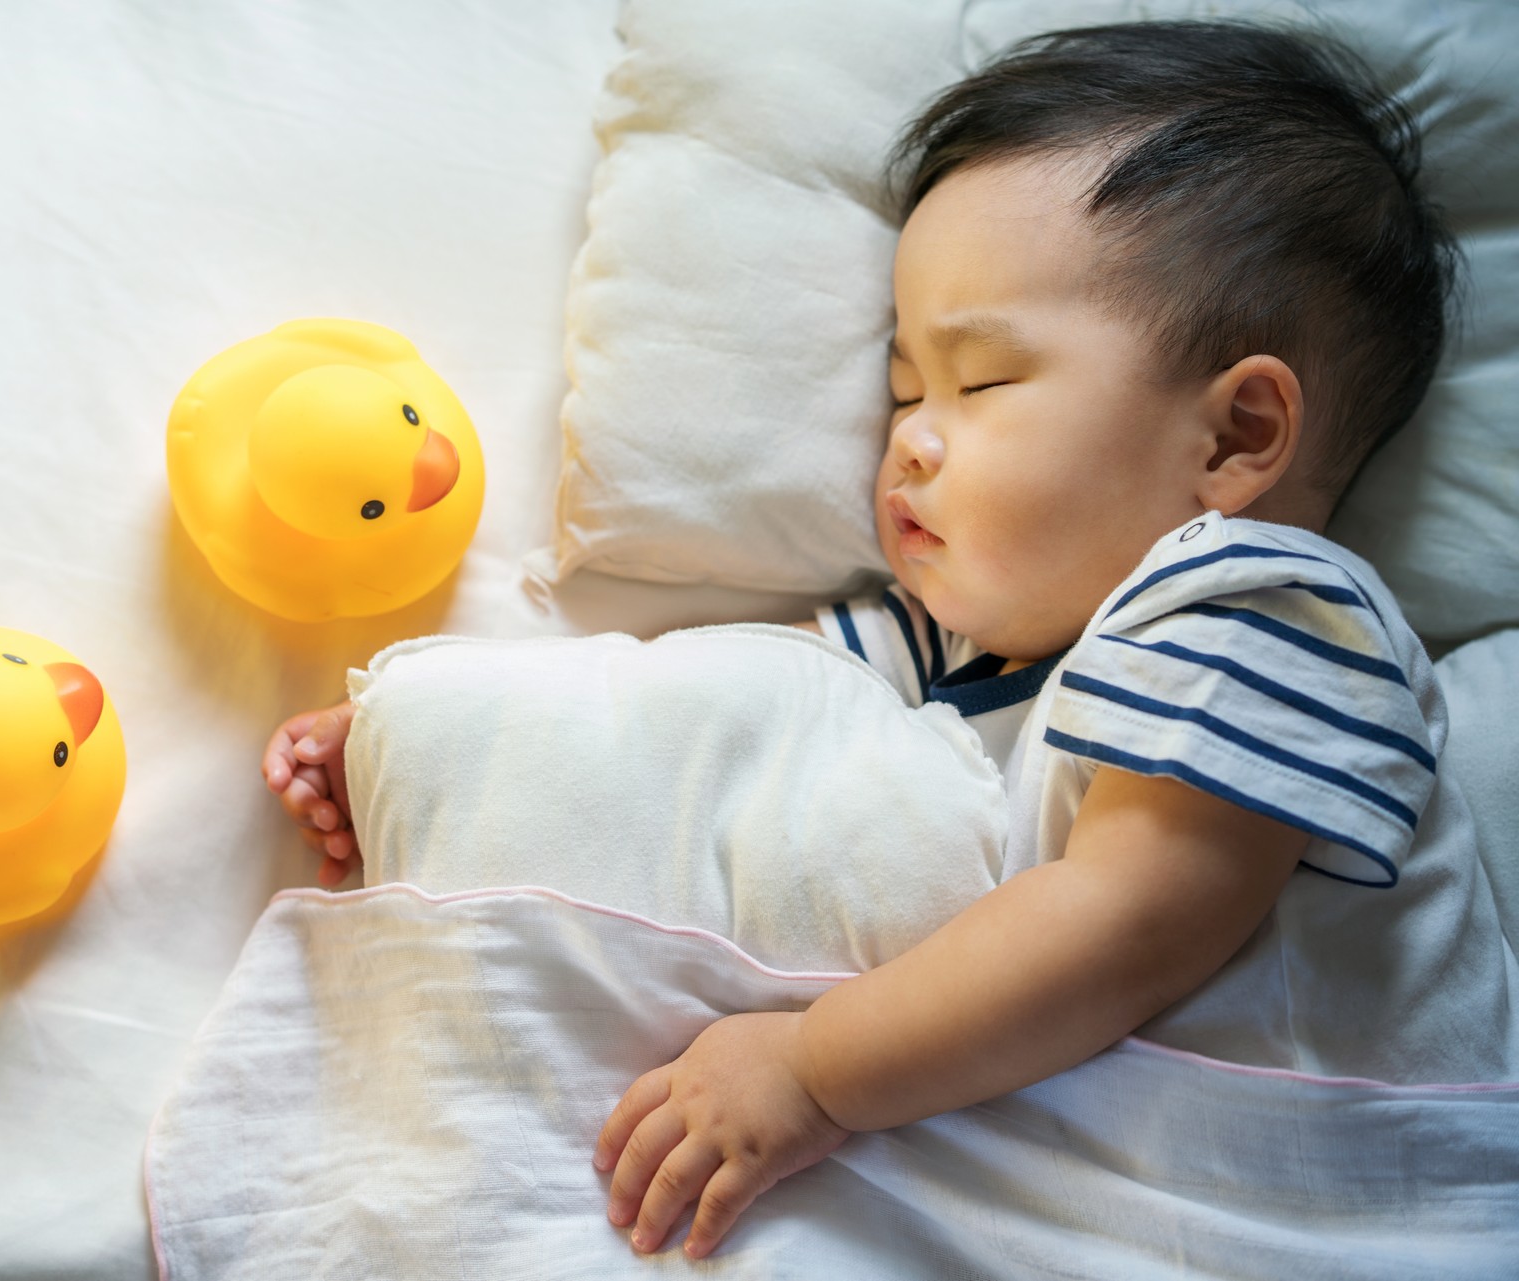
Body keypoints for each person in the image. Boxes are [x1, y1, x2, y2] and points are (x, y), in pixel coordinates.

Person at [261, 18, 1518, 1260]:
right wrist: (438, 751)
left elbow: (1128, 923)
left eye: (981, 384)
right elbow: (697, 723)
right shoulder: (958, 647)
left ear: (1236, 437)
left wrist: (811, 1072)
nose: (910, 435)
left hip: (1309, 1199)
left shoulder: (1265, 605)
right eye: (905, 388)